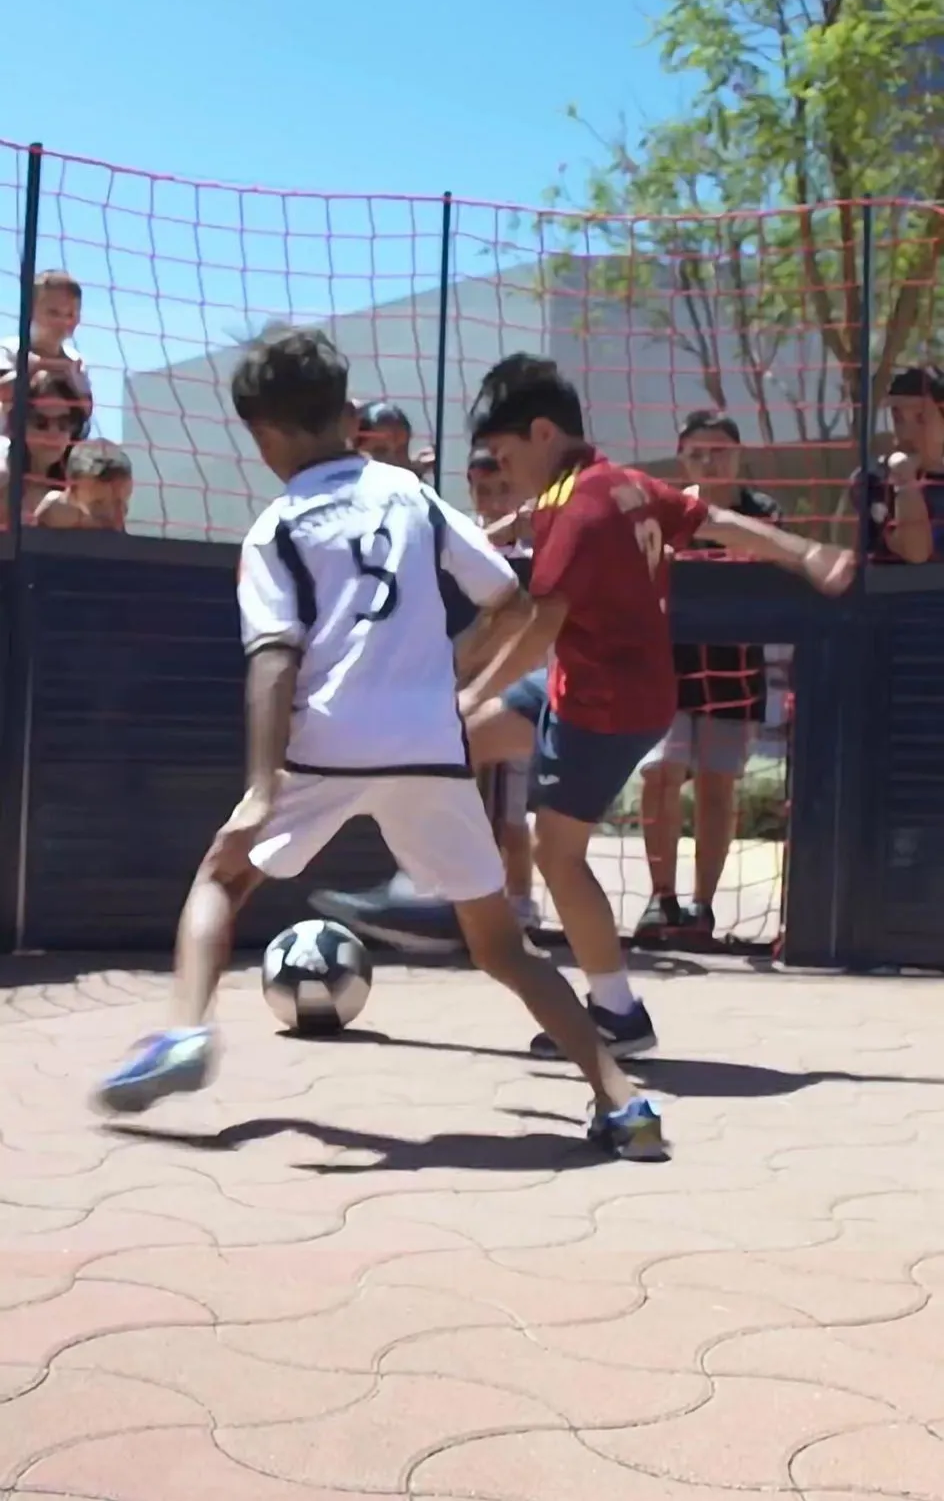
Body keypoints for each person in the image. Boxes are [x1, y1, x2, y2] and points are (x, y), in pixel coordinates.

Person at [93, 327, 664, 1162]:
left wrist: (262, 784)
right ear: (349, 416)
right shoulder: (409, 495)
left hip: (328, 743)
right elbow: (507, 598)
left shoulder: (276, 528)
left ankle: (185, 1031)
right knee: (503, 946)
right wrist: (450, 669)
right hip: (430, 745)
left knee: (222, 875)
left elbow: (273, 661)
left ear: (262, 436)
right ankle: (625, 1104)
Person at [447, 354, 852, 1061]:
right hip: (588, 682)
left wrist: (470, 691)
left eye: (506, 458)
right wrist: (807, 552)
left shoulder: (579, 513)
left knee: (558, 854)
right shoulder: (619, 483)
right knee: (460, 743)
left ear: (542, 434)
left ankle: (618, 1015)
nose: (503, 472)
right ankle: (428, 881)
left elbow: (539, 627)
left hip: (603, 708)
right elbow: (716, 519)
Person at [634, 410, 782, 945]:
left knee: (718, 786)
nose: (709, 461)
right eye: (698, 453)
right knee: (660, 774)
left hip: (734, 669)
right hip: (668, 664)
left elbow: (766, 572)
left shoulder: (763, 513)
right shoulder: (665, 509)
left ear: (738, 456)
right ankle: (661, 899)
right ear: (682, 459)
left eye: (720, 451)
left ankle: (702, 907)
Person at [467, 445, 538, 927]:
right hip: (469, 695)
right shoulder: (465, 538)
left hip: (517, 694)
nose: (494, 501)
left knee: (514, 816)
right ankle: (468, 904)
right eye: (483, 491)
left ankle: (521, 901)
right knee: (467, 809)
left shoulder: (536, 548)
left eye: (503, 491)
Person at [857, 364, 944, 564]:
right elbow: (916, 553)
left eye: (921, 419)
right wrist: (904, 481)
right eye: (898, 419)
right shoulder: (873, 481)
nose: (905, 433)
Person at [0, 269, 92, 433]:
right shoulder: (10, 350)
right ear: (30, 312)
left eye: (70, 314)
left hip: (57, 444)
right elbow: (3, 391)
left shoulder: (75, 360)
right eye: (53, 313)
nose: (62, 321)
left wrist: (71, 379)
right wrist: (35, 368)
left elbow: (86, 411)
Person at [0, 371, 87, 530]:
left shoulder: (80, 492)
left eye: (64, 423)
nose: (53, 433)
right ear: (19, 425)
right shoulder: (4, 477)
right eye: (40, 422)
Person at [33, 439, 132, 531]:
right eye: (98, 505)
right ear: (72, 489)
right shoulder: (54, 510)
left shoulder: (113, 520)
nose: (118, 522)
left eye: (123, 505)